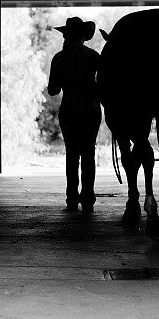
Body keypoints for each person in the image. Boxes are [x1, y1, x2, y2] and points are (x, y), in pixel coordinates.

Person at [47, 17, 101, 213]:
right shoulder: (94, 57)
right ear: (83, 37)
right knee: (88, 154)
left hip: (69, 112)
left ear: (66, 36)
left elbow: (53, 90)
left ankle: (71, 198)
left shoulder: (58, 59)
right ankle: (88, 199)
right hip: (91, 112)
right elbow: (104, 86)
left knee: (72, 155)